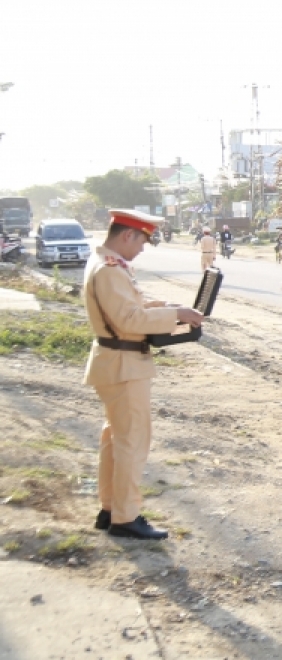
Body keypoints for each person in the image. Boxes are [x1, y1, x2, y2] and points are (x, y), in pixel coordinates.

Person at [83, 209, 204, 539]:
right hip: (123, 366)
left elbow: (128, 310)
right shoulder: (110, 270)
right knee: (131, 443)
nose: (141, 249)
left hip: (116, 362)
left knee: (116, 440)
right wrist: (176, 314)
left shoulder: (107, 264)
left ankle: (111, 509)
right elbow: (129, 320)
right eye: (141, 242)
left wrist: (170, 309)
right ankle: (126, 518)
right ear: (127, 235)